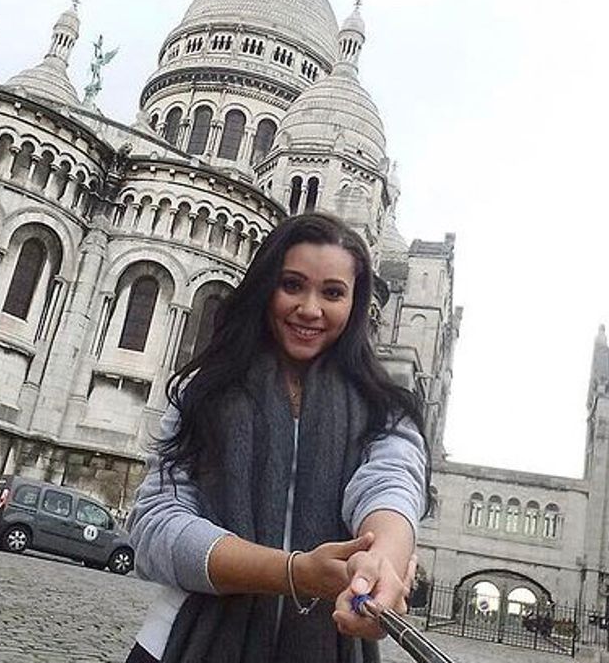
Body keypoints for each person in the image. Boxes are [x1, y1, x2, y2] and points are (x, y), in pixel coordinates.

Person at [124, 212, 430, 663]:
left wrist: (380, 563)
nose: (310, 308)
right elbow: (155, 526)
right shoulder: (204, 391)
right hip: (180, 644)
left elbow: (391, 483)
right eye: (292, 285)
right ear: (266, 287)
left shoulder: (385, 408)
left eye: (332, 293)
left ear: (356, 305)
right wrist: (294, 573)